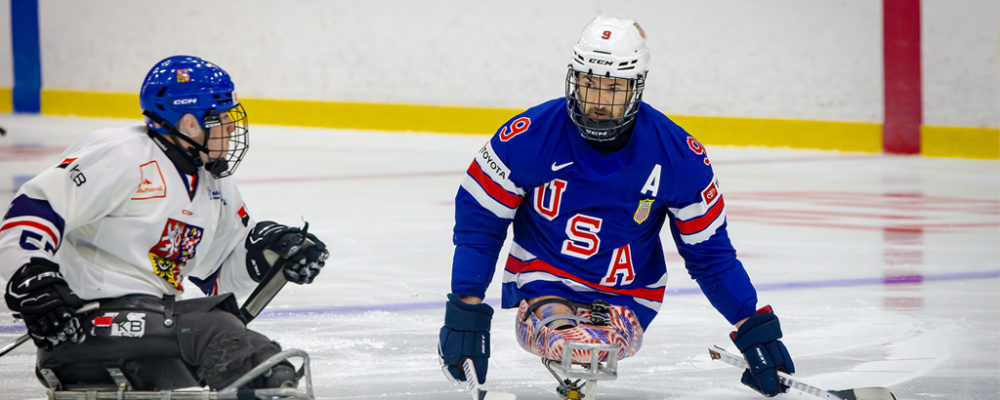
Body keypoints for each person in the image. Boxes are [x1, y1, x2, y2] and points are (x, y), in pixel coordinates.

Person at [439, 16, 794, 397]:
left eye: (613, 88)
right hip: (544, 275)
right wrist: (467, 310)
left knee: (592, 348)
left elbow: (710, 254)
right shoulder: (527, 136)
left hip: (628, 291)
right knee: (567, 341)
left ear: (636, 88)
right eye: (588, 84)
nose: (597, 102)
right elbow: (481, 223)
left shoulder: (679, 157)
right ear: (573, 78)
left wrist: (752, 326)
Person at [0, 55, 329, 391]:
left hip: (152, 326)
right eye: (221, 116)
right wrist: (35, 283)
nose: (231, 126)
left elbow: (218, 277)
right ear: (189, 123)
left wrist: (272, 253)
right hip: (86, 325)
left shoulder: (213, 183)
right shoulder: (122, 154)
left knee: (224, 329)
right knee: (240, 352)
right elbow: (32, 211)